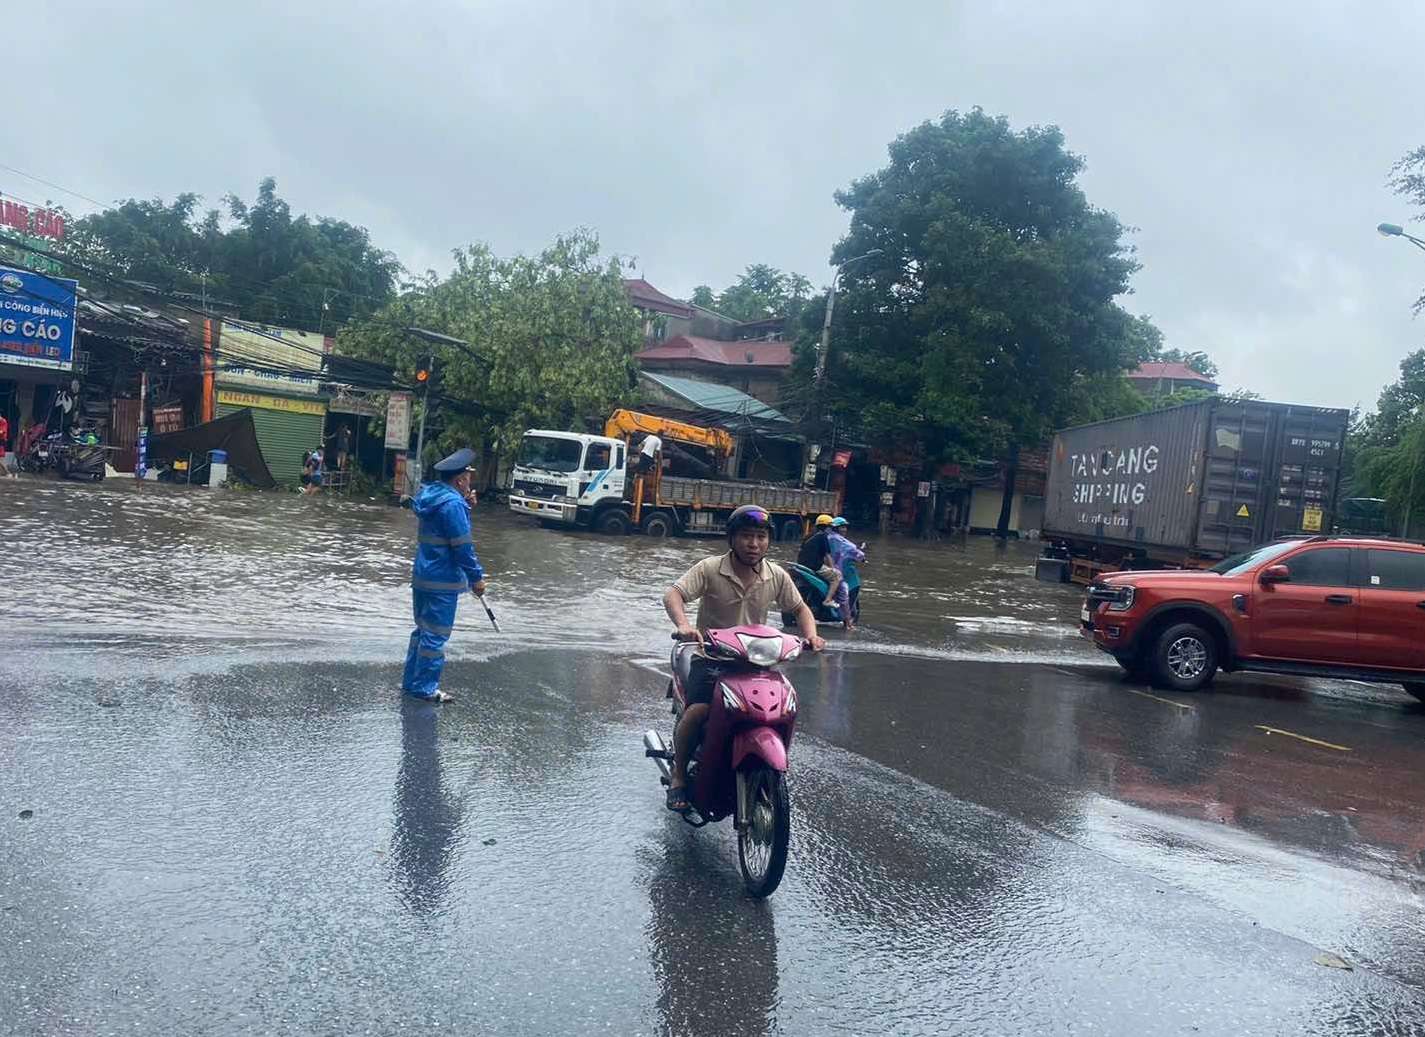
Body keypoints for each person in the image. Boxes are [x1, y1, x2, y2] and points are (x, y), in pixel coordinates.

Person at [661, 504, 824, 811]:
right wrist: (684, 626)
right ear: (732, 539)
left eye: (761, 537)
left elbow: (800, 609)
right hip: (711, 658)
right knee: (698, 711)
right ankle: (679, 778)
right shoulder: (710, 568)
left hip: (755, 661)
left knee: (780, 707)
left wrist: (811, 635)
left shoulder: (775, 575)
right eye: (746, 536)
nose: (754, 544)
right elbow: (674, 595)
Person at [402, 447, 489, 704]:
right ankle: (425, 688)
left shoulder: (432, 496)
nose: (470, 482)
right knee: (435, 635)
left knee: (422, 631)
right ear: (460, 480)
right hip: (442, 581)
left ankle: (411, 683)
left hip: (423, 577)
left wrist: (465, 506)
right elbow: (462, 545)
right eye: (468, 477)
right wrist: (477, 578)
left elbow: (443, 527)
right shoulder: (453, 504)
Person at [827, 517, 866, 630]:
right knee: (844, 590)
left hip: (824, 568)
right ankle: (848, 621)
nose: (844, 529)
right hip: (836, 570)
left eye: (845, 527)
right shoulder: (837, 539)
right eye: (842, 527)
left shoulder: (827, 537)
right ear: (836, 528)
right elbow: (853, 550)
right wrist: (861, 555)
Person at [796, 513, 842, 608]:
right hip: (814, 566)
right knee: (837, 576)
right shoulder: (823, 537)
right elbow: (828, 555)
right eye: (830, 527)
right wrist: (833, 569)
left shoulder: (809, 536)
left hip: (801, 565)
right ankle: (828, 600)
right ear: (826, 527)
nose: (831, 529)